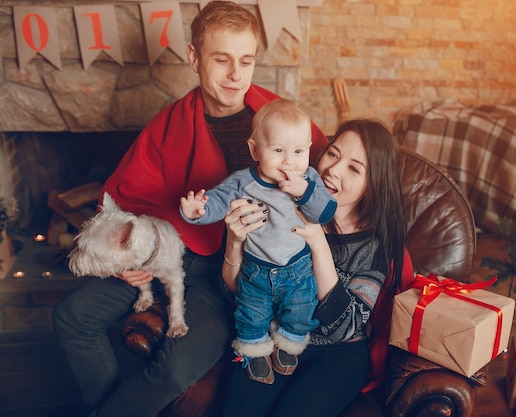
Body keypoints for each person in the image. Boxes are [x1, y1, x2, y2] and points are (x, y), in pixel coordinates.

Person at [52, 2, 328, 417]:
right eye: (222, 60)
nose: (236, 75)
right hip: (167, 250)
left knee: (174, 369)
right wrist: (123, 259)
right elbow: (127, 199)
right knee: (71, 316)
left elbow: (328, 182)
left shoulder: (280, 121)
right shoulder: (168, 125)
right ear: (195, 58)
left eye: (246, 61)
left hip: (235, 274)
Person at [219, 118, 416, 417]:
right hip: (270, 341)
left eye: (354, 167)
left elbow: (346, 324)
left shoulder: (375, 244)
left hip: (338, 353)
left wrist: (318, 242)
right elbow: (239, 295)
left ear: (373, 184)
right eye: (333, 154)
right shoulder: (277, 203)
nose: (333, 170)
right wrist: (234, 242)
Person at [180, 98, 337, 384]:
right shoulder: (243, 182)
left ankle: (289, 344)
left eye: (298, 151)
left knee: (300, 310)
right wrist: (198, 210)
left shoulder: (309, 179)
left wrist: (304, 190)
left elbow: (325, 212)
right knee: (251, 314)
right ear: (255, 149)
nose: (289, 161)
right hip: (256, 272)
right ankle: (254, 349)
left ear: (308, 151)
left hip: (298, 269)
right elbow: (216, 201)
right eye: (278, 150)